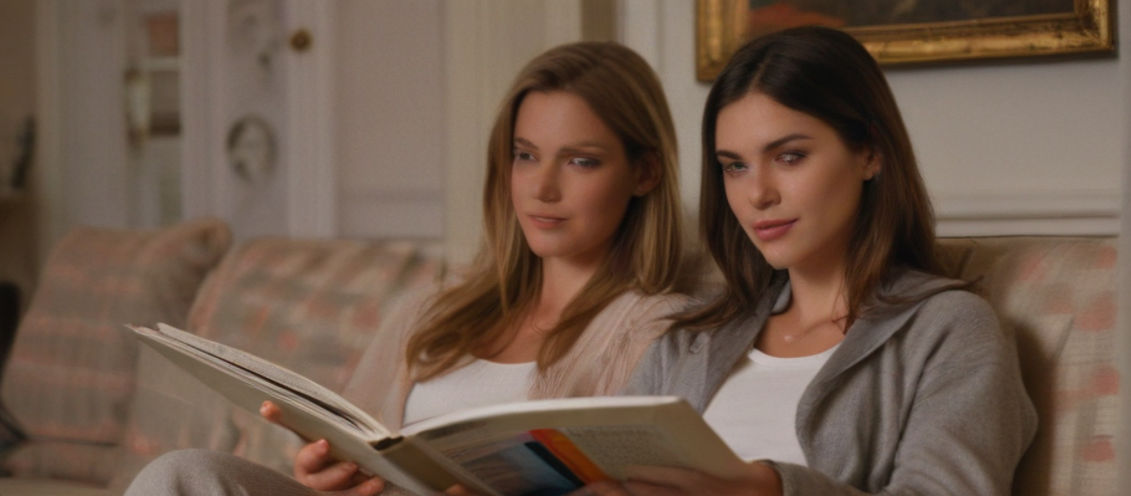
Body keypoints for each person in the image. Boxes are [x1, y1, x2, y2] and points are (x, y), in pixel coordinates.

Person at [124, 40, 688, 496]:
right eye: (525, 155)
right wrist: (329, 473)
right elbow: (354, 443)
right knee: (180, 474)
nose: (541, 187)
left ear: (645, 174)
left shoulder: (659, 331)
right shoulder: (435, 309)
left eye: (580, 161)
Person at [596, 26, 1037, 495]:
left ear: (870, 152)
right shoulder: (685, 340)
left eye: (789, 156)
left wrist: (773, 490)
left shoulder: (949, 331)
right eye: (735, 166)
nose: (757, 195)